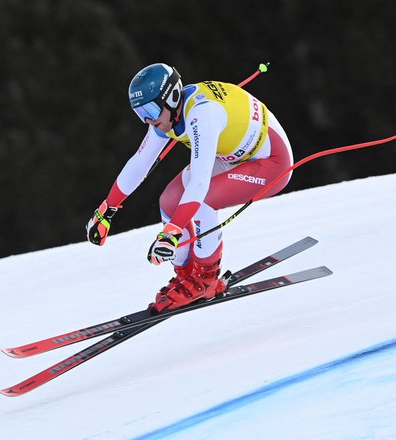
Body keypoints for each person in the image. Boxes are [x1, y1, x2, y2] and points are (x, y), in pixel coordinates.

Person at [86, 63, 294, 312]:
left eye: (150, 109)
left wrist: (171, 233)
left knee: (203, 200)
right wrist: (107, 210)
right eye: (140, 113)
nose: (148, 120)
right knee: (169, 201)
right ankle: (186, 275)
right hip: (233, 156)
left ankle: (205, 279)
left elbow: (199, 183)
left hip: (271, 162)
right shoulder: (166, 116)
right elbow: (139, 163)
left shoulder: (202, 114)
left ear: (172, 97)